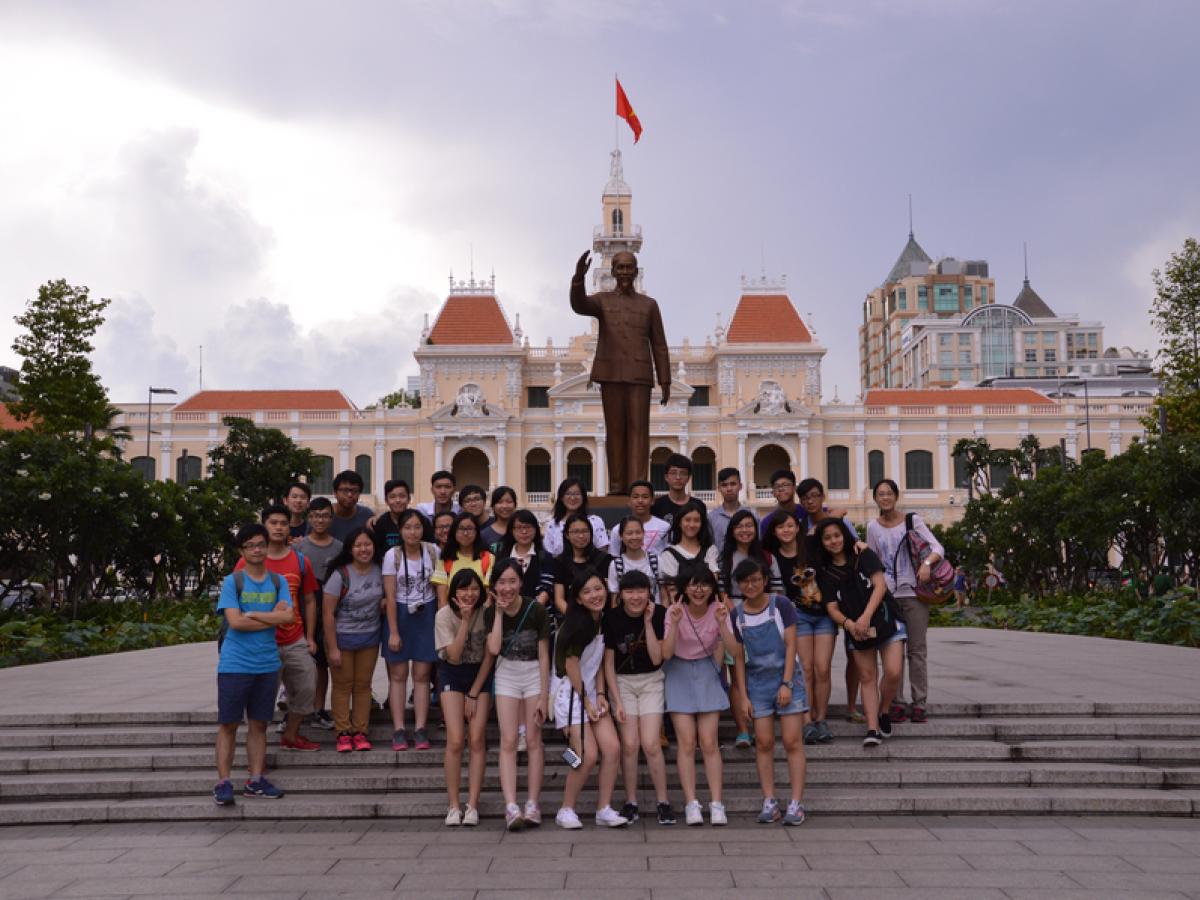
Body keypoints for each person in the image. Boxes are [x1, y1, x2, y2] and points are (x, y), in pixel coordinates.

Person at [570, 249, 671, 495]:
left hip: (639, 375)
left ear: (636, 272)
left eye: (629, 267)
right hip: (611, 373)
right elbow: (579, 305)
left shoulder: (649, 305)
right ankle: (616, 486)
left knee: (639, 431)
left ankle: (638, 487)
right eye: (621, 268)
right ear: (613, 271)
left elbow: (659, 344)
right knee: (614, 431)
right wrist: (578, 278)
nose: (625, 272)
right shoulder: (602, 300)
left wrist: (665, 380)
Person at [213, 523, 294, 805]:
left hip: (267, 664)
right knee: (229, 724)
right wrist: (270, 616)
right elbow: (235, 622)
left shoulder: (278, 582)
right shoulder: (232, 582)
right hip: (235, 664)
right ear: (242, 551)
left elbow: (288, 618)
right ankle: (223, 782)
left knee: (259, 724)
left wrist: (252, 614)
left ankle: (256, 779)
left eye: (261, 544)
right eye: (250, 546)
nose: (257, 550)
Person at [234, 505, 320, 753]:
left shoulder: (300, 561)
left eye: (284, 523)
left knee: (307, 686)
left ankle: (291, 734)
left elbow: (309, 600)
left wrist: (310, 636)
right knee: (262, 695)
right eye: (273, 523)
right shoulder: (246, 561)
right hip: (261, 640)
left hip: (294, 638)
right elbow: (236, 600)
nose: (279, 527)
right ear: (264, 526)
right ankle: (256, 747)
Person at [729, 559, 808, 826]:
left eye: (755, 579)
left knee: (792, 741)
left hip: (787, 679)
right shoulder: (736, 615)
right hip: (757, 684)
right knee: (763, 742)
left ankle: (796, 803)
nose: (750, 585)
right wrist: (743, 696)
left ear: (765, 580)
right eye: (745, 581)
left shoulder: (781, 605)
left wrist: (786, 684)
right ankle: (769, 800)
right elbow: (738, 658)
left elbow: (791, 645)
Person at [814, 518, 906, 747]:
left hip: (885, 619)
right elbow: (832, 608)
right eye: (827, 538)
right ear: (821, 543)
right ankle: (872, 728)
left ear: (845, 535)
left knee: (893, 672)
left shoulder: (863, 554)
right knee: (867, 677)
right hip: (856, 630)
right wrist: (850, 625)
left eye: (837, 535)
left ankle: (884, 710)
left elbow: (880, 585)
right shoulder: (826, 573)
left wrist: (865, 617)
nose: (833, 541)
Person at [661, 563, 739, 826]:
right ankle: (691, 803)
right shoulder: (674, 611)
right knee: (686, 742)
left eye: (704, 584)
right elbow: (666, 653)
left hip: (706, 672)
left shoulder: (719, 610)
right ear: (684, 588)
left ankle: (717, 803)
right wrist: (674, 624)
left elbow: (734, 652)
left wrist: (723, 624)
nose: (698, 590)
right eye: (693, 584)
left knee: (709, 742)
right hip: (678, 672)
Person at [551, 570, 629, 829]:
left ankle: (603, 808)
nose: (595, 595)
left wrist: (602, 694)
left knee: (613, 748)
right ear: (578, 599)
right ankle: (566, 809)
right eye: (587, 592)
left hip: (591, 693)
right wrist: (586, 700)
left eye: (598, 588)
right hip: (570, 696)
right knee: (586, 755)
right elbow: (571, 665)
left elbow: (598, 664)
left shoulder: (602, 620)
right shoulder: (577, 625)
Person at [867, 478, 944, 726]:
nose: (885, 498)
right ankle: (896, 703)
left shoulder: (912, 521)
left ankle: (919, 703)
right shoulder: (873, 528)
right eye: (880, 494)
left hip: (914, 594)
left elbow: (937, 548)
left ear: (896, 496)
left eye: (889, 493)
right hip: (888, 598)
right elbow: (873, 562)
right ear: (875, 498)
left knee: (916, 651)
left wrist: (926, 564)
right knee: (893, 653)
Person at [603, 570, 674, 825]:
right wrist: (616, 700)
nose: (635, 597)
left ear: (649, 592)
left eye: (641, 591)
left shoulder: (660, 614)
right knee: (630, 744)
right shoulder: (611, 618)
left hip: (651, 681)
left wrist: (648, 622)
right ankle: (631, 801)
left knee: (651, 743)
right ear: (621, 594)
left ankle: (663, 802)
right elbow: (608, 664)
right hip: (622, 683)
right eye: (630, 591)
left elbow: (657, 658)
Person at [485, 558, 551, 831]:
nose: (507, 588)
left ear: (521, 582)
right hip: (507, 674)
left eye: (512, 581)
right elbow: (493, 649)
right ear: (494, 586)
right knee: (509, 740)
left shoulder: (536, 610)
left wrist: (544, 695)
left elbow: (544, 655)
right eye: (502, 582)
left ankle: (533, 803)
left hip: (533, 673)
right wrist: (499, 614)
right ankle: (511, 805)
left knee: (534, 740)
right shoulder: (491, 612)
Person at [764, 512, 834, 745]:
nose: (786, 530)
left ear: (797, 528)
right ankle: (807, 720)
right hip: (798, 616)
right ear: (774, 531)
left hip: (824, 615)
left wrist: (859, 543)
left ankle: (821, 719)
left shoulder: (811, 547)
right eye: (781, 527)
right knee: (805, 669)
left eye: (790, 525)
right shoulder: (773, 557)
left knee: (822, 668)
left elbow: (835, 532)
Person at [436, 569, 494, 827]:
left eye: (474, 588)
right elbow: (454, 655)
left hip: (480, 675)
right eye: (463, 589)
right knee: (456, 739)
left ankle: (472, 804)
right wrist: (464, 621)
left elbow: (490, 656)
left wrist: (474, 693)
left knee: (477, 738)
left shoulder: (488, 612)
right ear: (454, 591)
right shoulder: (443, 615)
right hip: (453, 672)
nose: (469, 594)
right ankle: (453, 805)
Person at [382, 509, 439, 751]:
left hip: (427, 615)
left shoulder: (433, 551)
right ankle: (398, 729)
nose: (413, 532)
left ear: (423, 529)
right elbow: (390, 596)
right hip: (400, 615)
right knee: (398, 676)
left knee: (422, 676)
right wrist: (393, 631)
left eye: (417, 527)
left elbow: (440, 587)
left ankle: (420, 728)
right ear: (400, 531)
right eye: (407, 527)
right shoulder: (392, 555)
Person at [322, 528, 384, 753]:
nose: (363, 549)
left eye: (367, 544)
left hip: (370, 637)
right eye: (358, 545)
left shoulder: (380, 570)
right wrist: (333, 648)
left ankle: (360, 731)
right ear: (350, 549)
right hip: (342, 637)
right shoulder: (340, 575)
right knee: (342, 686)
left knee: (363, 686)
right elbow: (327, 613)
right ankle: (343, 732)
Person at [297, 498, 341, 731]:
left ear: (331, 519)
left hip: (330, 614)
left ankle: (318, 708)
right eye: (315, 516)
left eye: (324, 516)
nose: (320, 520)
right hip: (303, 613)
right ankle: (296, 710)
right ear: (309, 518)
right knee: (300, 665)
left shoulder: (339, 548)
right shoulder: (300, 547)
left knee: (323, 664)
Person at [554, 512, 613, 619]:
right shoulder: (560, 562)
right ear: (567, 535)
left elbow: (606, 594)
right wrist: (576, 618)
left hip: (600, 617)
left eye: (585, 531)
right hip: (572, 618)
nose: (581, 536)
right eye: (575, 532)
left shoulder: (603, 559)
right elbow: (559, 599)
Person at [659, 499, 720, 604]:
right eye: (687, 520)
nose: (691, 525)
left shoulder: (710, 550)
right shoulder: (669, 554)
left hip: (707, 607)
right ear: (679, 523)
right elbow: (671, 590)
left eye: (696, 520)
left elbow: (712, 581)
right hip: (680, 608)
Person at [432, 511, 495, 608]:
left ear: (477, 531)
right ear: (454, 531)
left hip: (480, 613)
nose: (465, 533)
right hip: (452, 614)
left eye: (470, 528)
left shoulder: (488, 558)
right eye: (461, 529)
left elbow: (488, 598)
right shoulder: (446, 559)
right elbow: (442, 600)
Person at [496, 509, 555, 606]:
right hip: (506, 609)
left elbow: (546, 588)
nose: (524, 531)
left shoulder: (545, 556)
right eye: (519, 527)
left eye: (528, 527)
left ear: (536, 529)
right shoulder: (502, 555)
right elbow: (496, 583)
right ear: (511, 530)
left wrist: (532, 611)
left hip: (536, 610)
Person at [542, 478, 609, 557]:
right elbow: (549, 554)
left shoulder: (595, 521)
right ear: (561, 498)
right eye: (568, 494)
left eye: (577, 494)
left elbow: (602, 551)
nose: (573, 498)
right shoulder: (553, 524)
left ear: (583, 497)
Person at [607, 517, 662, 605]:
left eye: (638, 532)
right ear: (621, 536)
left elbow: (664, 594)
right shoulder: (616, 565)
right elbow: (615, 600)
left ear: (643, 534)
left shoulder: (656, 561)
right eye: (629, 533)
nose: (634, 537)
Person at [609, 480, 670, 556]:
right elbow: (614, 556)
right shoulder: (617, 529)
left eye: (645, 497)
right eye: (635, 497)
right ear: (629, 501)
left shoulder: (665, 527)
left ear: (652, 501)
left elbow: (669, 555)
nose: (640, 501)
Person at [651, 453, 707, 526]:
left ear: (689, 478)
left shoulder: (698, 505)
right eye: (673, 473)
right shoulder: (656, 505)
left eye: (683, 473)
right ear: (666, 477)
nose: (678, 477)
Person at [371, 479, 416, 562]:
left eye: (402, 496)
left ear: (409, 499)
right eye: (392, 497)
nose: (397, 500)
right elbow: (377, 551)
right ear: (386, 501)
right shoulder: (381, 523)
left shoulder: (418, 520)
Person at [708, 467, 750, 550]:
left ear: (740, 486)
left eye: (733, 484)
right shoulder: (711, 518)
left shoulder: (751, 515)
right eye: (724, 485)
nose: (729, 489)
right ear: (719, 488)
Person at [328, 470, 374, 543]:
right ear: (335, 493)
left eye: (354, 490)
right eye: (345, 490)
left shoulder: (367, 515)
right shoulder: (324, 515)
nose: (350, 495)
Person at [480, 486, 517, 551]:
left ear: (515, 505)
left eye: (509, 502)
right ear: (493, 506)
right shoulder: (484, 535)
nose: (504, 506)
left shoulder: (523, 531)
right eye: (500, 502)